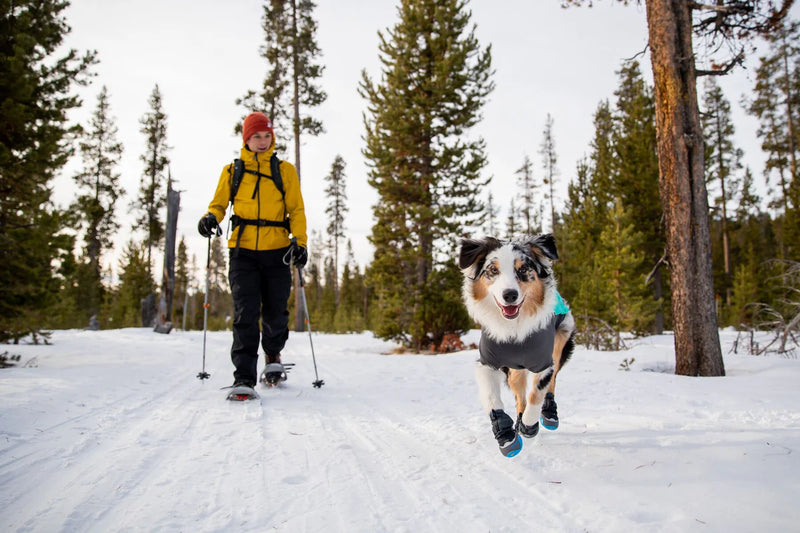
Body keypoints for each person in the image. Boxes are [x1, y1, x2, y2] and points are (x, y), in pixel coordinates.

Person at [198, 112, 308, 395]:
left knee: (275, 315)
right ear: (246, 139)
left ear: (272, 137)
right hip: (242, 251)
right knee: (245, 314)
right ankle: (243, 377)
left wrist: (301, 242)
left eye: (266, 136)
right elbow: (219, 204)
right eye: (256, 136)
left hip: (278, 252)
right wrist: (211, 217)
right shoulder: (232, 171)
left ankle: (273, 356)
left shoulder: (285, 171)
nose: (262, 141)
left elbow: (296, 210)